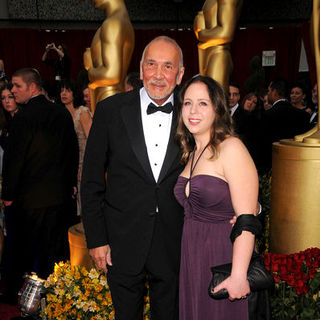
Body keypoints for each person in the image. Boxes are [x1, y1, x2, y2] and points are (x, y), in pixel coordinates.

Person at [81, 36, 185, 320]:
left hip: (175, 241)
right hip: (121, 240)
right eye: (151, 65)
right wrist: (96, 238)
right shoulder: (110, 110)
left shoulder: (193, 114)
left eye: (168, 66)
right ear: (140, 69)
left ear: (180, 73)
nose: (159, 75)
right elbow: (90, 181)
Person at [174, 75, 260, 319]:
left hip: (223, 255)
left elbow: (247, 219)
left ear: (217, 109)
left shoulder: (230, 147)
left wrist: (239, 275)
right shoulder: (190, 152)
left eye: (203, 103)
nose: (193, 110)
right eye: (187, 103)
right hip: (192, 256)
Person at [1, 68, 78, 303]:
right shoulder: (62, 114)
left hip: (29, 202)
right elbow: (72, 152)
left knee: (23, 251)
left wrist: (8, 195)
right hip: (59, 199)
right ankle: (56, 300)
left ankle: (19, 299)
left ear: (32, 87)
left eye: (17, 86)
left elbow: (15, 160)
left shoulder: (23, 117)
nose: (12, 91)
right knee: (54, 254)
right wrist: (69, 184)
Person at [84, 0, 135, 111]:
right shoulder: (121, 21)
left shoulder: (113, 23)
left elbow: (111, 75)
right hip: (109, 97)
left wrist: (90, 69)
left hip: (108, 97)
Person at [193, 0, 243, 92]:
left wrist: (201, 33)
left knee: (215, 98)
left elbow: (225, 33)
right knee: (208, 97)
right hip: (208, 52)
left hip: (218, 54)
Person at [59, 79, 92, 216]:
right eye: (61, 90)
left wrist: (86, 167)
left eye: (67, 90)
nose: (63, 93)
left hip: (84, 161)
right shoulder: (60, 114)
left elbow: (92, 141)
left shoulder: (82, 112)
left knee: (86, 204)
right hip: (68, 165)